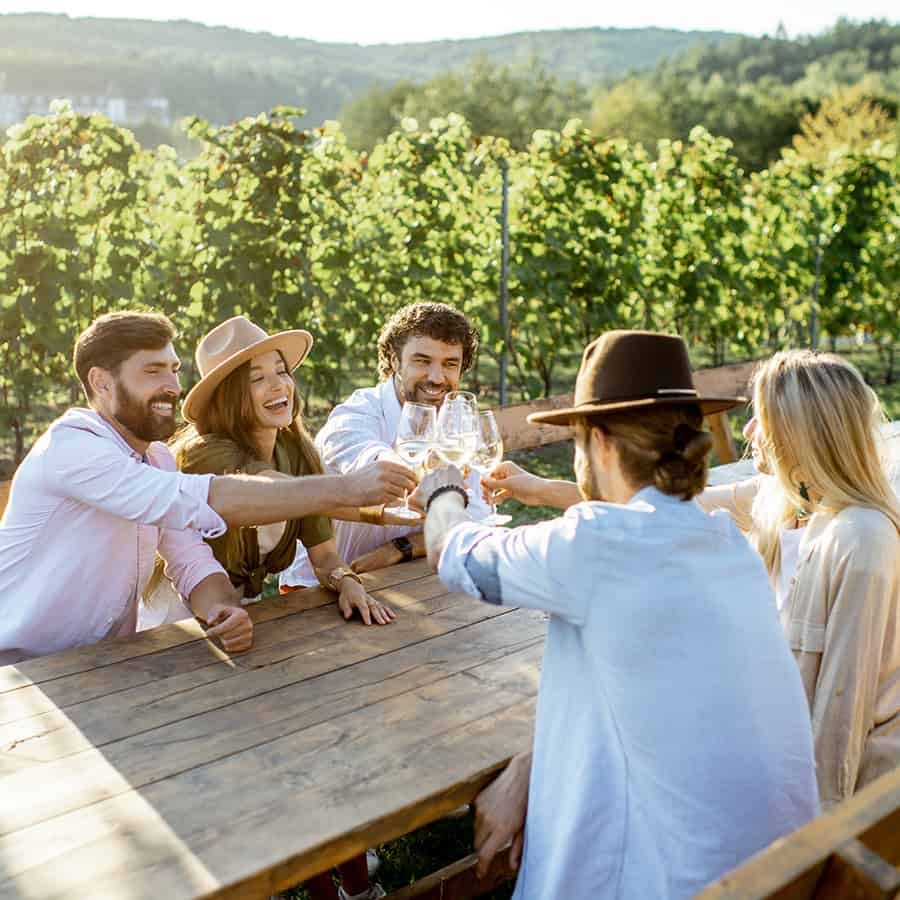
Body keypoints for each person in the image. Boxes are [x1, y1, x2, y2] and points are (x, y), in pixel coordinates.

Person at [419, 330, 819, 899]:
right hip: (778, 871)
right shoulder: (728, 546)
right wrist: (528, 769)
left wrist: (441, 490)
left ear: (600, 445)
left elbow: (454, 557)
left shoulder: (597, 542)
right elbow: (636, 695)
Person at [0, 312, 416, 665]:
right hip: (20, 667)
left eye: (174, 370)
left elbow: (189, 558)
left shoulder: (158, 459)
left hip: (103, 663)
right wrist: (350, 489)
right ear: (102, 382)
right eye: (152, 371)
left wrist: (223, 610)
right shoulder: (73, 446)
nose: (171, 386)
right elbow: (208, 498)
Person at [696, 351, 900, 809]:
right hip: (779, 746)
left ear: (799, 434)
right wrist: (547, 491)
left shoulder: (861, 538)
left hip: (855, 790)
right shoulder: (785, 501)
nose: (749, 433)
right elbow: (676, 509)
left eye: (760, 419)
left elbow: (840, 716)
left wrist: (815, 846)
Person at [280, 301, 488, 592]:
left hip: (408, 578)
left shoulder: (458, 427)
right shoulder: (357, 413)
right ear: (393, 359)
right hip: (321, 587)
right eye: (422, 360)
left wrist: (401, 548)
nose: (437, 378)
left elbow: (476, 519)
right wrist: (422, 480)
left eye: (450, 364)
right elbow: (369, 461)